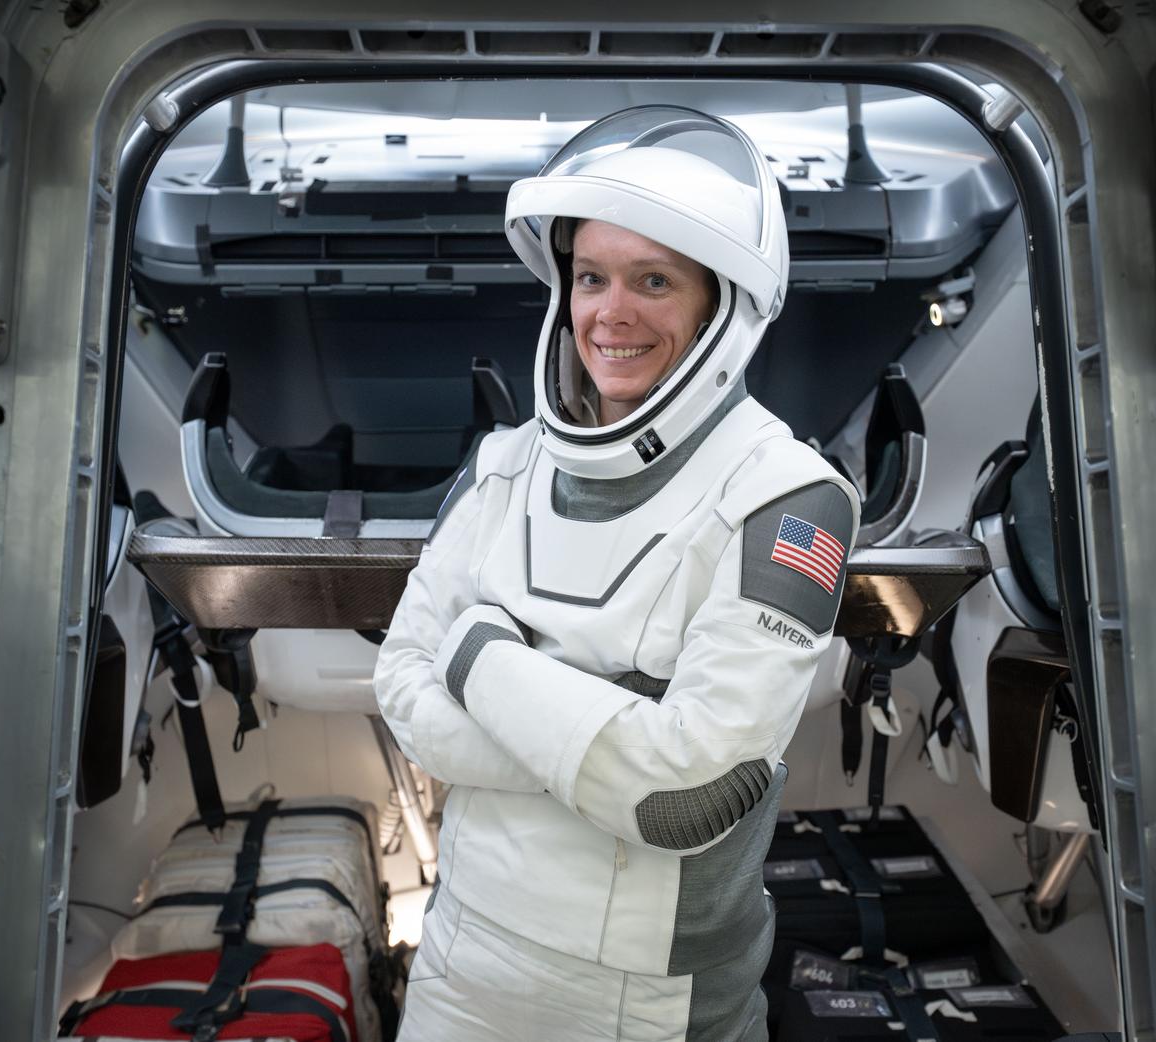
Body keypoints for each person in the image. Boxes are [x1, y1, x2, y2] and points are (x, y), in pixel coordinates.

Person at [374, 105, 861, 1042]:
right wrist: (612, 717)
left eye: (654, 280)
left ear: (722, 306)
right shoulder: (504, 463)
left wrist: (476, 654)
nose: (611, 312)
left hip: (653, 1001)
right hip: (460, 958)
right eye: (591, 277)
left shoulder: (790, 497)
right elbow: (399, 687)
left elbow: (684, 796)